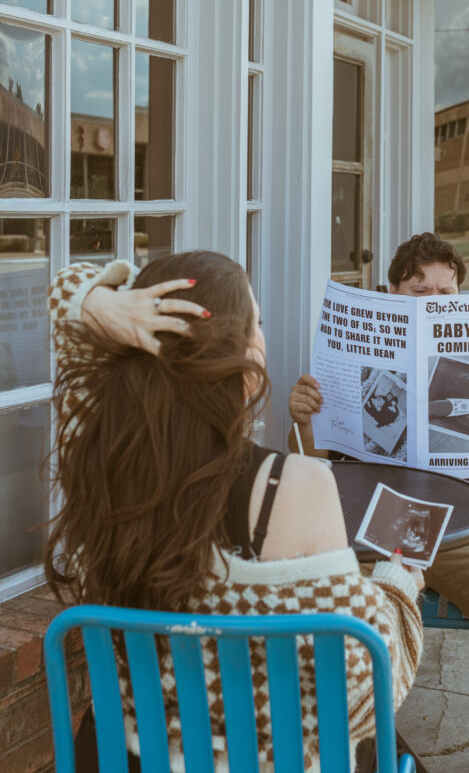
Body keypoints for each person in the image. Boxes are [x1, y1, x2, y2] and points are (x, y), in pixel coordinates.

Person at [45, 252, 424, 773]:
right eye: (258, 324)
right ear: (242, 353)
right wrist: (398, 585)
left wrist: (109, 307)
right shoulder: (297, 485)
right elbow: (365, 700)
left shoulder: (97, 456)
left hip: (132, 756)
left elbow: (66, 291)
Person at [289, 232, 469, 773]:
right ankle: (366, 756)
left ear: (460, 299)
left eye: (443, 293)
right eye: (417, 288)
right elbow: (313, 462)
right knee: (313, 607)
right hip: (380, 517)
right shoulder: (356, 349)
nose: (431, 299)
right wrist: (305, 419)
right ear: (391, 292)